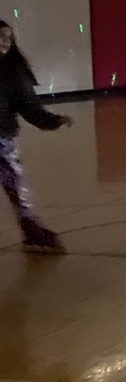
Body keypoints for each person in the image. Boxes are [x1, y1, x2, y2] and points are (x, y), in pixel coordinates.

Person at [0, 20, 73, 253]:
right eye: (1, 37)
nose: (6, 42)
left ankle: (32, 231)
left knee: (15, 186)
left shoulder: (12, 73)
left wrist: (52, 120)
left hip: (2, 140)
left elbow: (28, 106)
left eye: (9, 38)